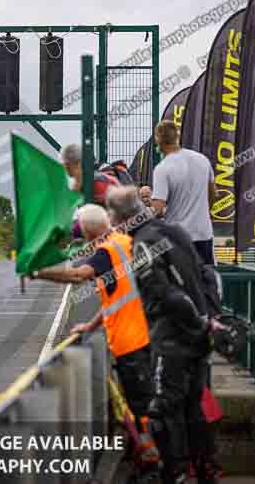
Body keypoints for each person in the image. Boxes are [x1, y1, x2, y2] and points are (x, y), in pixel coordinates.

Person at [31, 204, 159, 479]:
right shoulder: (125, 242)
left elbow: (78, 276)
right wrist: (90, 325)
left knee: (141, 407)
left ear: (88, 232)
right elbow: (119, 298)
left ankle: (154, 464)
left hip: (130, 341)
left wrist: (38, 272)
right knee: (144, 403)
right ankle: (150, 456)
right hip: (143, 335)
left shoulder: (106, 252)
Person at [106, 186, 223, 484]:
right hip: (198, 337)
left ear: (121, 217)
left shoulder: (143, 243)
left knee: (162, 409)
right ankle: (207, 469)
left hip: (172, 337)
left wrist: (194, 323)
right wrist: (209, 319)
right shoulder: (177, 231)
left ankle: (175, 473)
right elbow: (208, 275)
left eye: (111, 216)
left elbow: (164, 294)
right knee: (193, 405)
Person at [151, 120, 217, 265]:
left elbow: (157, 209)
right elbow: (213, 194)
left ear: (157, 139)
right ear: (177, 137)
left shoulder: (163, 168)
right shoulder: (202, 159)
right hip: (203, 233)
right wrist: (204, 213)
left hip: (177, 238)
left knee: (179, 281)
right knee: (207, 280)